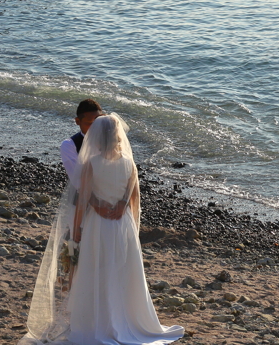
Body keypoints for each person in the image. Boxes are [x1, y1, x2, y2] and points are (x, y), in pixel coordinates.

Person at [21, 114, 184, 345]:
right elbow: (133, 198)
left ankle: (95, 321)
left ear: (97, 138)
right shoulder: (129, 163)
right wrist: (121, 208)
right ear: (118, 136)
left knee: (96, 270)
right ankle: (124, 318)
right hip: (121, 224)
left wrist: (76, 230)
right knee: (120, 270)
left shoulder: (91, 164)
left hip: (97, 225)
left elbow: (83, 200)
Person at [60, 100, 103, 180]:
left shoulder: (112, 140)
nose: (95, 126)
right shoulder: (70, 145)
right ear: (78, 121)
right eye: (89, 123)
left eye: (98, 122)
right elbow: (77, 179)